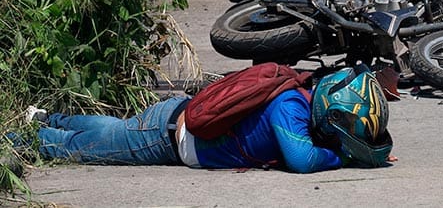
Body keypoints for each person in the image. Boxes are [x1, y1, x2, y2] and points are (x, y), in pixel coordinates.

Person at [25, 66, 393, 173]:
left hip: (172, 121)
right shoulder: (290, 108)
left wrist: (363, 151)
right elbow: (302, 159)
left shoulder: (298, 96)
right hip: (168, 136)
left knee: (115, 130)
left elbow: (310, 143)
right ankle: (27, 141)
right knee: (95, 148)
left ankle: (46, 118)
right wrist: (345, 158)